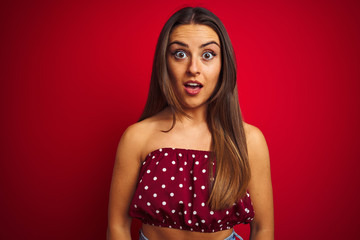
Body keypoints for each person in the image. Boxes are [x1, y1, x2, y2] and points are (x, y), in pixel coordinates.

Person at [107, 7, 274, 240]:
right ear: (163, 62)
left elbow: (263, 230)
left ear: (223, 64)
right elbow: (117, 228)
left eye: (207, 55)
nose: (193, 69)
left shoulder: (249, 140)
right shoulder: (137, 137)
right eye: (180, 54)